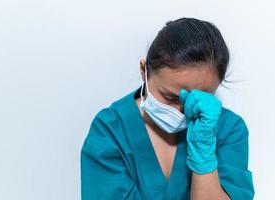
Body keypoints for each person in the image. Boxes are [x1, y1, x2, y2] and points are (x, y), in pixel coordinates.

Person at [80, 17, 255, 200]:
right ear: (143, 71)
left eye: (201, 99)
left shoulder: (229, 129)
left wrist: (204, 160)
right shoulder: (110, 130)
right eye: (170, 97)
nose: (184, 110)